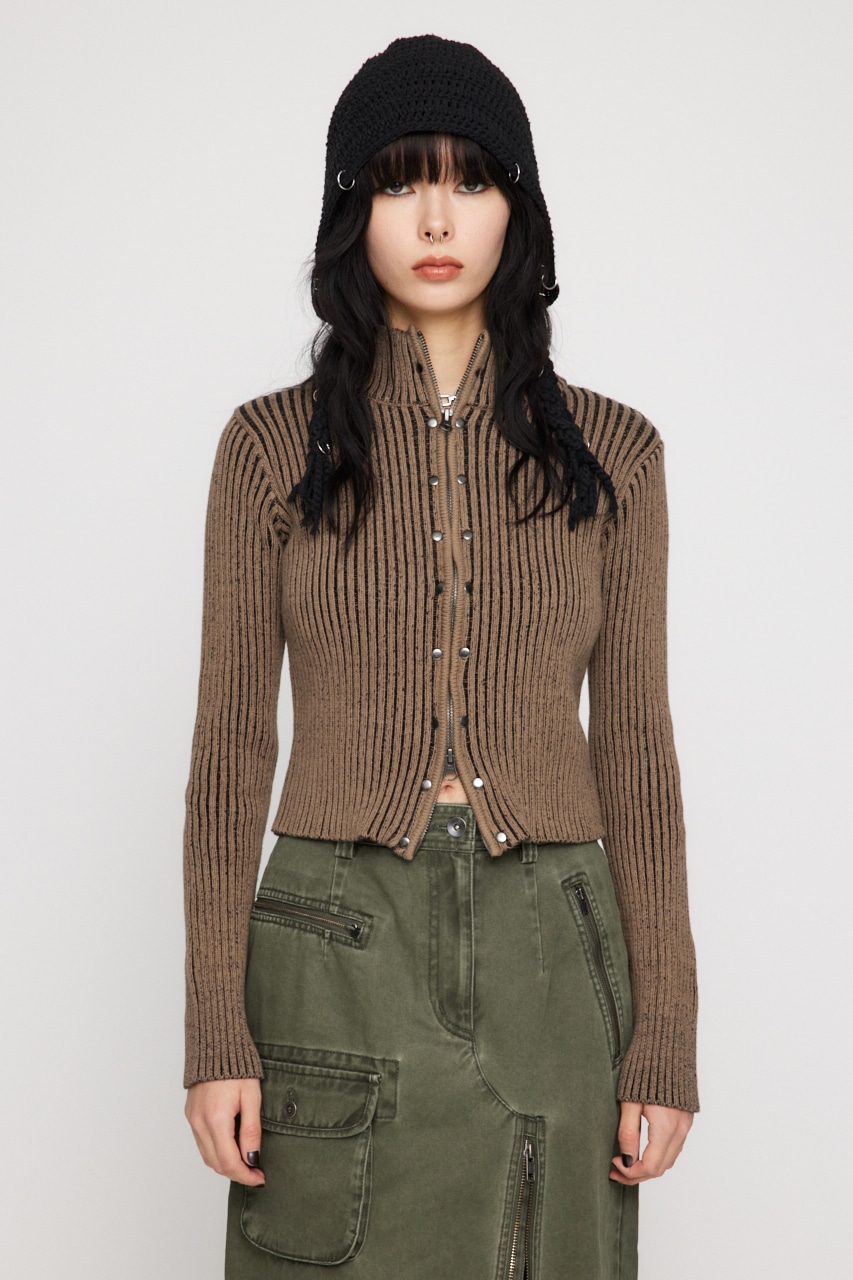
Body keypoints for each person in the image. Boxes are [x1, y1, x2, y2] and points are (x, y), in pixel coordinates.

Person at [183, 34, 698, 1280]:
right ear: (348, 213)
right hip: (330, 936)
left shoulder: (615, 457)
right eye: (397, 180)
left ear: (517, 210)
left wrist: (667, 1036)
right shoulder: (269, 450)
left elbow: (635, 748)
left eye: (470, 179)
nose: (433, 217)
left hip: (552, 944)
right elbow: (231, 747)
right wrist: (213, 1031)